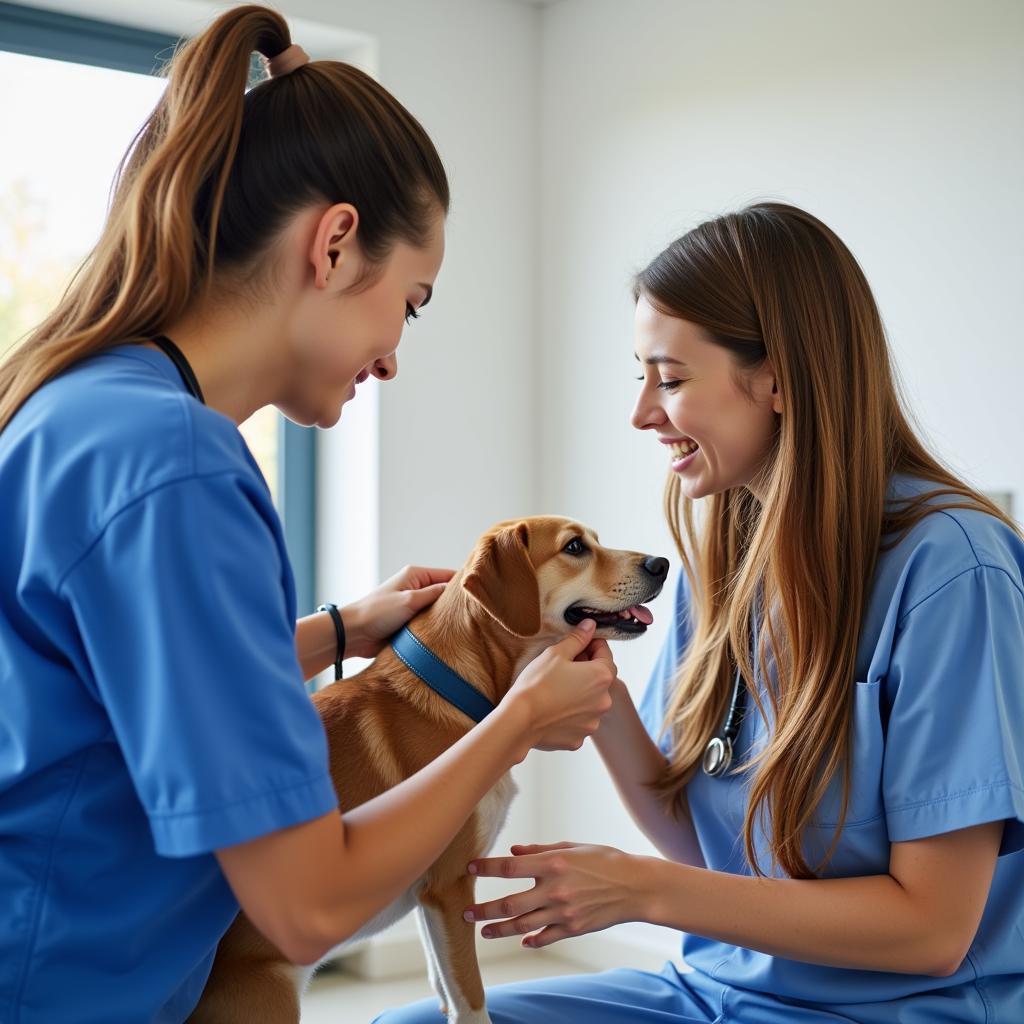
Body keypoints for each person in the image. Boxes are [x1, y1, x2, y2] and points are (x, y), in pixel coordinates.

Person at [0, 6, 617, 1022]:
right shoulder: (183, 469)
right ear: (334, 244)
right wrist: (515, 722)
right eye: (410, 302)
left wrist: (342, 630)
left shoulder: (73, 404)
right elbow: (308, 903)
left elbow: (112, 694)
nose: (393, 353)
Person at [375, 203, 1024, 1023]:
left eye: (671, 380)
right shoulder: (722, 565)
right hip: (713, 992)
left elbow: (933, 930)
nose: (643, 414)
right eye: (641, 378)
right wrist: (589, 686)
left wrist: (642, 892)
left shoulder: (953, 569)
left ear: (781, 378)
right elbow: (699, 839)